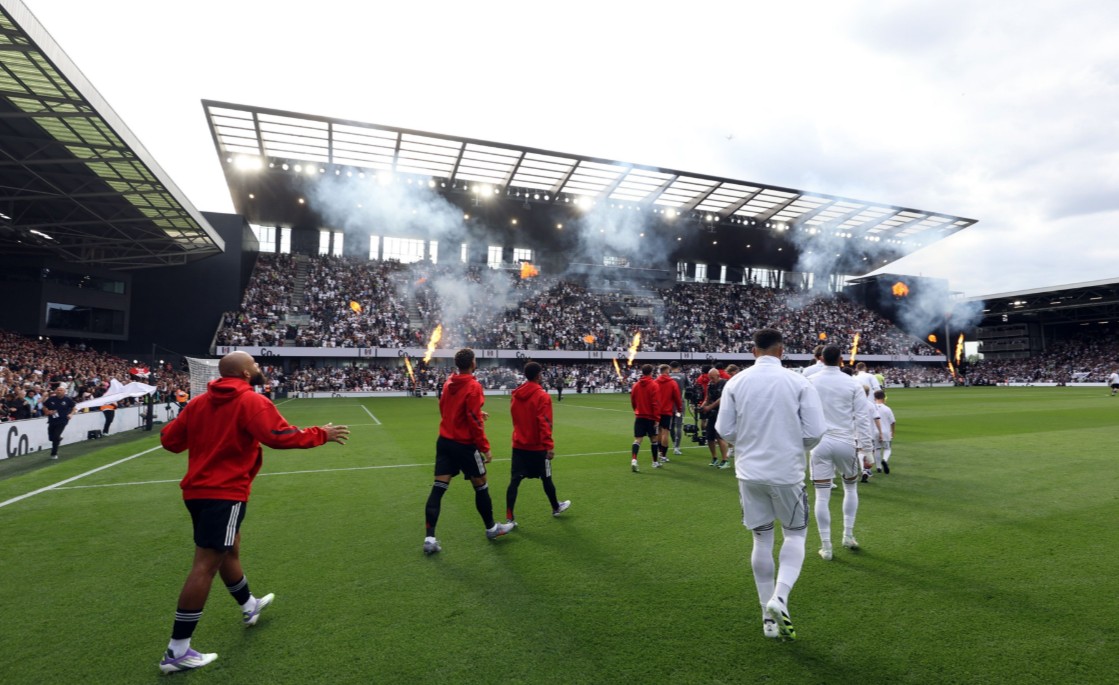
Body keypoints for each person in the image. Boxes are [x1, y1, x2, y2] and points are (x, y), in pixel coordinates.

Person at [157, 351, 349, 674]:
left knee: (229, 550)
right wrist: (322, 435)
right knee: (205, 564)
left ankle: (249, 605)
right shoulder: (250, 401)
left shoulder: (199, 403)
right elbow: (278, 437)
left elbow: (169, 441)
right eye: (255, 365)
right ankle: (177, 651)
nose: (259, 368)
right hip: (225, 492)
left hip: (197, 492)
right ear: (245, 373)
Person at [715, 328, 825, 641]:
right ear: (781, 350)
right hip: (786, 472)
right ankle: (781, 597)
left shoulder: (736, 381)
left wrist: (749, 443)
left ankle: (767, 617)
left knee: (761, 540)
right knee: (795, 535)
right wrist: (790, 445)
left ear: (754, 351)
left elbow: (724, 428)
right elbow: (816, 431)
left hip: (749, 472)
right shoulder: (798, 381)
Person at [424, 348, 516, 556]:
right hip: (464, 445)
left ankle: (429, 538)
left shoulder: (449, 382)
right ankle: (492, 528)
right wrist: (485, 448)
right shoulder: (473, 386)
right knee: (481, 485)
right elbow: (474, 423)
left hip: (445, 441)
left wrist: (473, 413)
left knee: (439, 488)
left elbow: (446, 407)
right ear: (472, 363)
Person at [807, 345, 874, 561]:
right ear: (841, 359)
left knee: (822, 496)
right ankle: (848, 535)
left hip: (820, 442)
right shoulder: (852, 383)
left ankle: (826, 547)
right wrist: (868, 451)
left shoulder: (811, 380)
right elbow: (862, 419)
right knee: (850, 488)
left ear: (821, 359)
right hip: (845, 441)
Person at [506, 362, 570, 523]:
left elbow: (515, 418)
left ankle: (509, 517)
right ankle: (555, 507)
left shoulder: (516, 394)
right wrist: (549, 445)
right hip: (537, 447)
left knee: (514, 481)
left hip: (519, 445)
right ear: (538, 375)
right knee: (546, 478)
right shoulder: (542, 396)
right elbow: (545, 422)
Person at [630, 363, 660, 472]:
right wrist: (657, 418)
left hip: (639, 415)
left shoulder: (636, 385)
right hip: (651, 417)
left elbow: (633, 400)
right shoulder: (654, 385)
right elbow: (655, 403)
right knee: (654, 439)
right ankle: (655, 462)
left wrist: (636, 410)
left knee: (638, 439)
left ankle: (634, 460)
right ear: (651, 372)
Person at [701, 368, 729, 468]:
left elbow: (722, 399)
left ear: (717, 375)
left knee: (720, 436)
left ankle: (725, 459)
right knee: (709, 436)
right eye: (710, 377)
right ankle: (714, 458)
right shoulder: (710, 385)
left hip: (722, 412)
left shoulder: (725, 383)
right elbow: (708, 398)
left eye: (712, 377)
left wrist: (709, 407)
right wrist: (702, 406)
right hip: (712, 413)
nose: (711, 379)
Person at [654, 364, 683, 464]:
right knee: (665, 432)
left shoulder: (655, 382)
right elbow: (677, 398)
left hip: (657, 411)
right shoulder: (672, 383)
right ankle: (663, 455)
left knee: (659, 431)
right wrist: (679, 409)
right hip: (667, 411)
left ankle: (658, 452)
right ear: (667, 371)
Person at [42, 383, 76, 460]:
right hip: (52, 420)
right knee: (51, 438)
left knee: (55, 437)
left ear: (64, 392)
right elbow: (44, 407)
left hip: (62, 421)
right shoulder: (51, 399)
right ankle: (59, 438)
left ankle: (54, 453)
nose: (59, 391)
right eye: (58, 390)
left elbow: (74, 408)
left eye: (61, 390)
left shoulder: (67, 400)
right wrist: (47, 411)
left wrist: (71, 414)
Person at [873, 390, 896, 474]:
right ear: (883, 397)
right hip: (886, 431)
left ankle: (878, 467)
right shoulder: (887, 409)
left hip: (874, 431)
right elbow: (893, 422)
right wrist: (893, 432)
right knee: (887, 448)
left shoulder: (872, 407)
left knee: (877, 448)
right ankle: (884, 460)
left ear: (874, 397)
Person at [668, 361, 688, 455]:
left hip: (669, 405)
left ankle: (673, 443)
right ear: (678, 367)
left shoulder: (667, 376)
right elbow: (689, 388)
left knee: (671, 425)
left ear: (670, 367)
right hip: (679, 405)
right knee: (679, 425)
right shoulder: (683, 376)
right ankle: (677, 447)